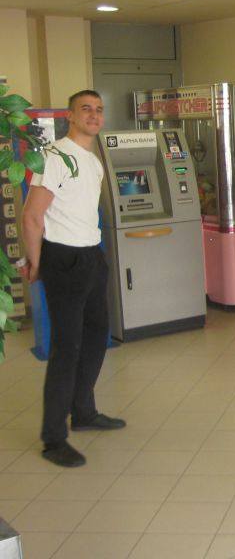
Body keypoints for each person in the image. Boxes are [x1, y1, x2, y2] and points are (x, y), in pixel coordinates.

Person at [20, 89, 126, 468]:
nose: (94, 115)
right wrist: (36, 263)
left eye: (99, 109)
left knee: (97, 336)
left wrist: (96, 258)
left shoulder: (93, 161)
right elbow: (32, 216)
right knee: (67, 348)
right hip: (62, 258)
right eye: (86, 109)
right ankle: (53, 439)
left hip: (91, 255)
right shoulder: (56, 156)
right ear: (70, 115)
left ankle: (83, 411)